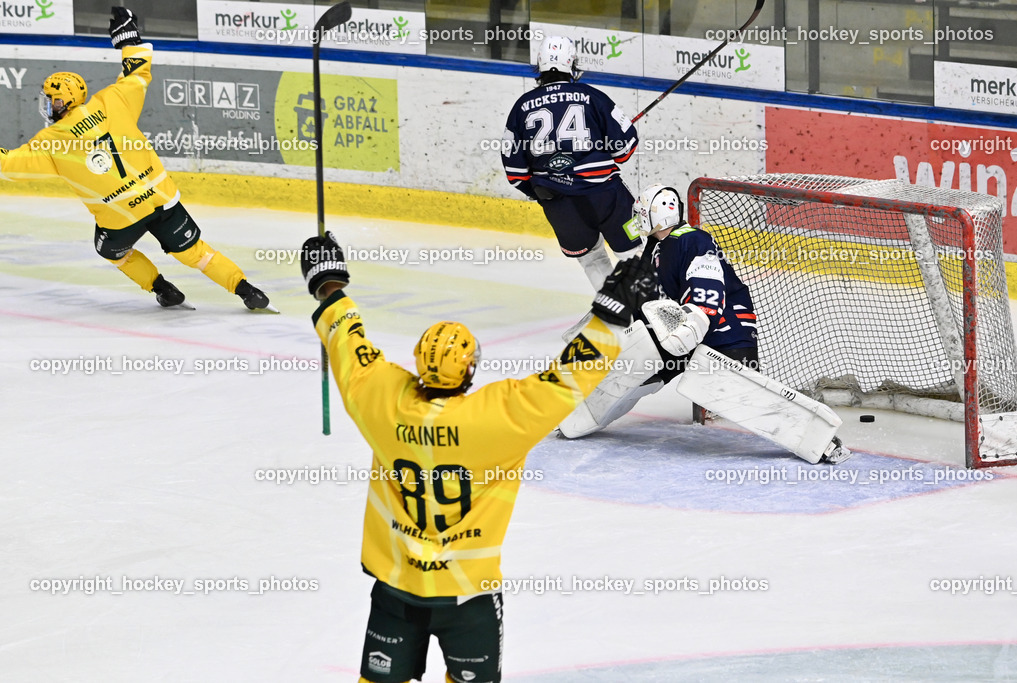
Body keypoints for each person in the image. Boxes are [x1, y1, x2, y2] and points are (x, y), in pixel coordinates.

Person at [300, 232, 657, 683]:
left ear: (418, 360)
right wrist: (611, 316)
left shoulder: (381, 401)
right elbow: (567, 379)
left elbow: (349, 348)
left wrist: (328, 282)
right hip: (468, 596)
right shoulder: (498, 419)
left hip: (397, 588)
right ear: (470, 370)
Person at [0, 7, 274, 312]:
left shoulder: (50, 142)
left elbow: (7, 164)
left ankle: (162, 288)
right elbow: (138, 72)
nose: (47, 105)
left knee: (112, 252)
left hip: (120, 218)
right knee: (196, 252)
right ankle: (247, 290)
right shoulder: (112, 100)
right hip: (160, 199)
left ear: (62, 102)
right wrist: (129, 39)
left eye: (51, 99)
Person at [558, 184, 850, 464]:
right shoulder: (655, 248)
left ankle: (822, 441)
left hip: (725, 332)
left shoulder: (693, 239)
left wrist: (695, 322)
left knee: (734, 393)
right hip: (679, 335)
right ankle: (581, 416)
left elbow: (707, 289)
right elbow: (645, 299)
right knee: (637, 368)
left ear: (658, 212)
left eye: (642, 211)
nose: (636, 218)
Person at [501, 35, 641, 291]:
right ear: (572, 63)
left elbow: (515, 173)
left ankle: (620, 311)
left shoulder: (521, 107)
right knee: (634, 255)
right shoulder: (593, 97)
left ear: (540, 65)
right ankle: (656, 309)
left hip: (559, 203)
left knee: (592, 259)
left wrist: (544, 190)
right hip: (606, 196)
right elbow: (624, 150)